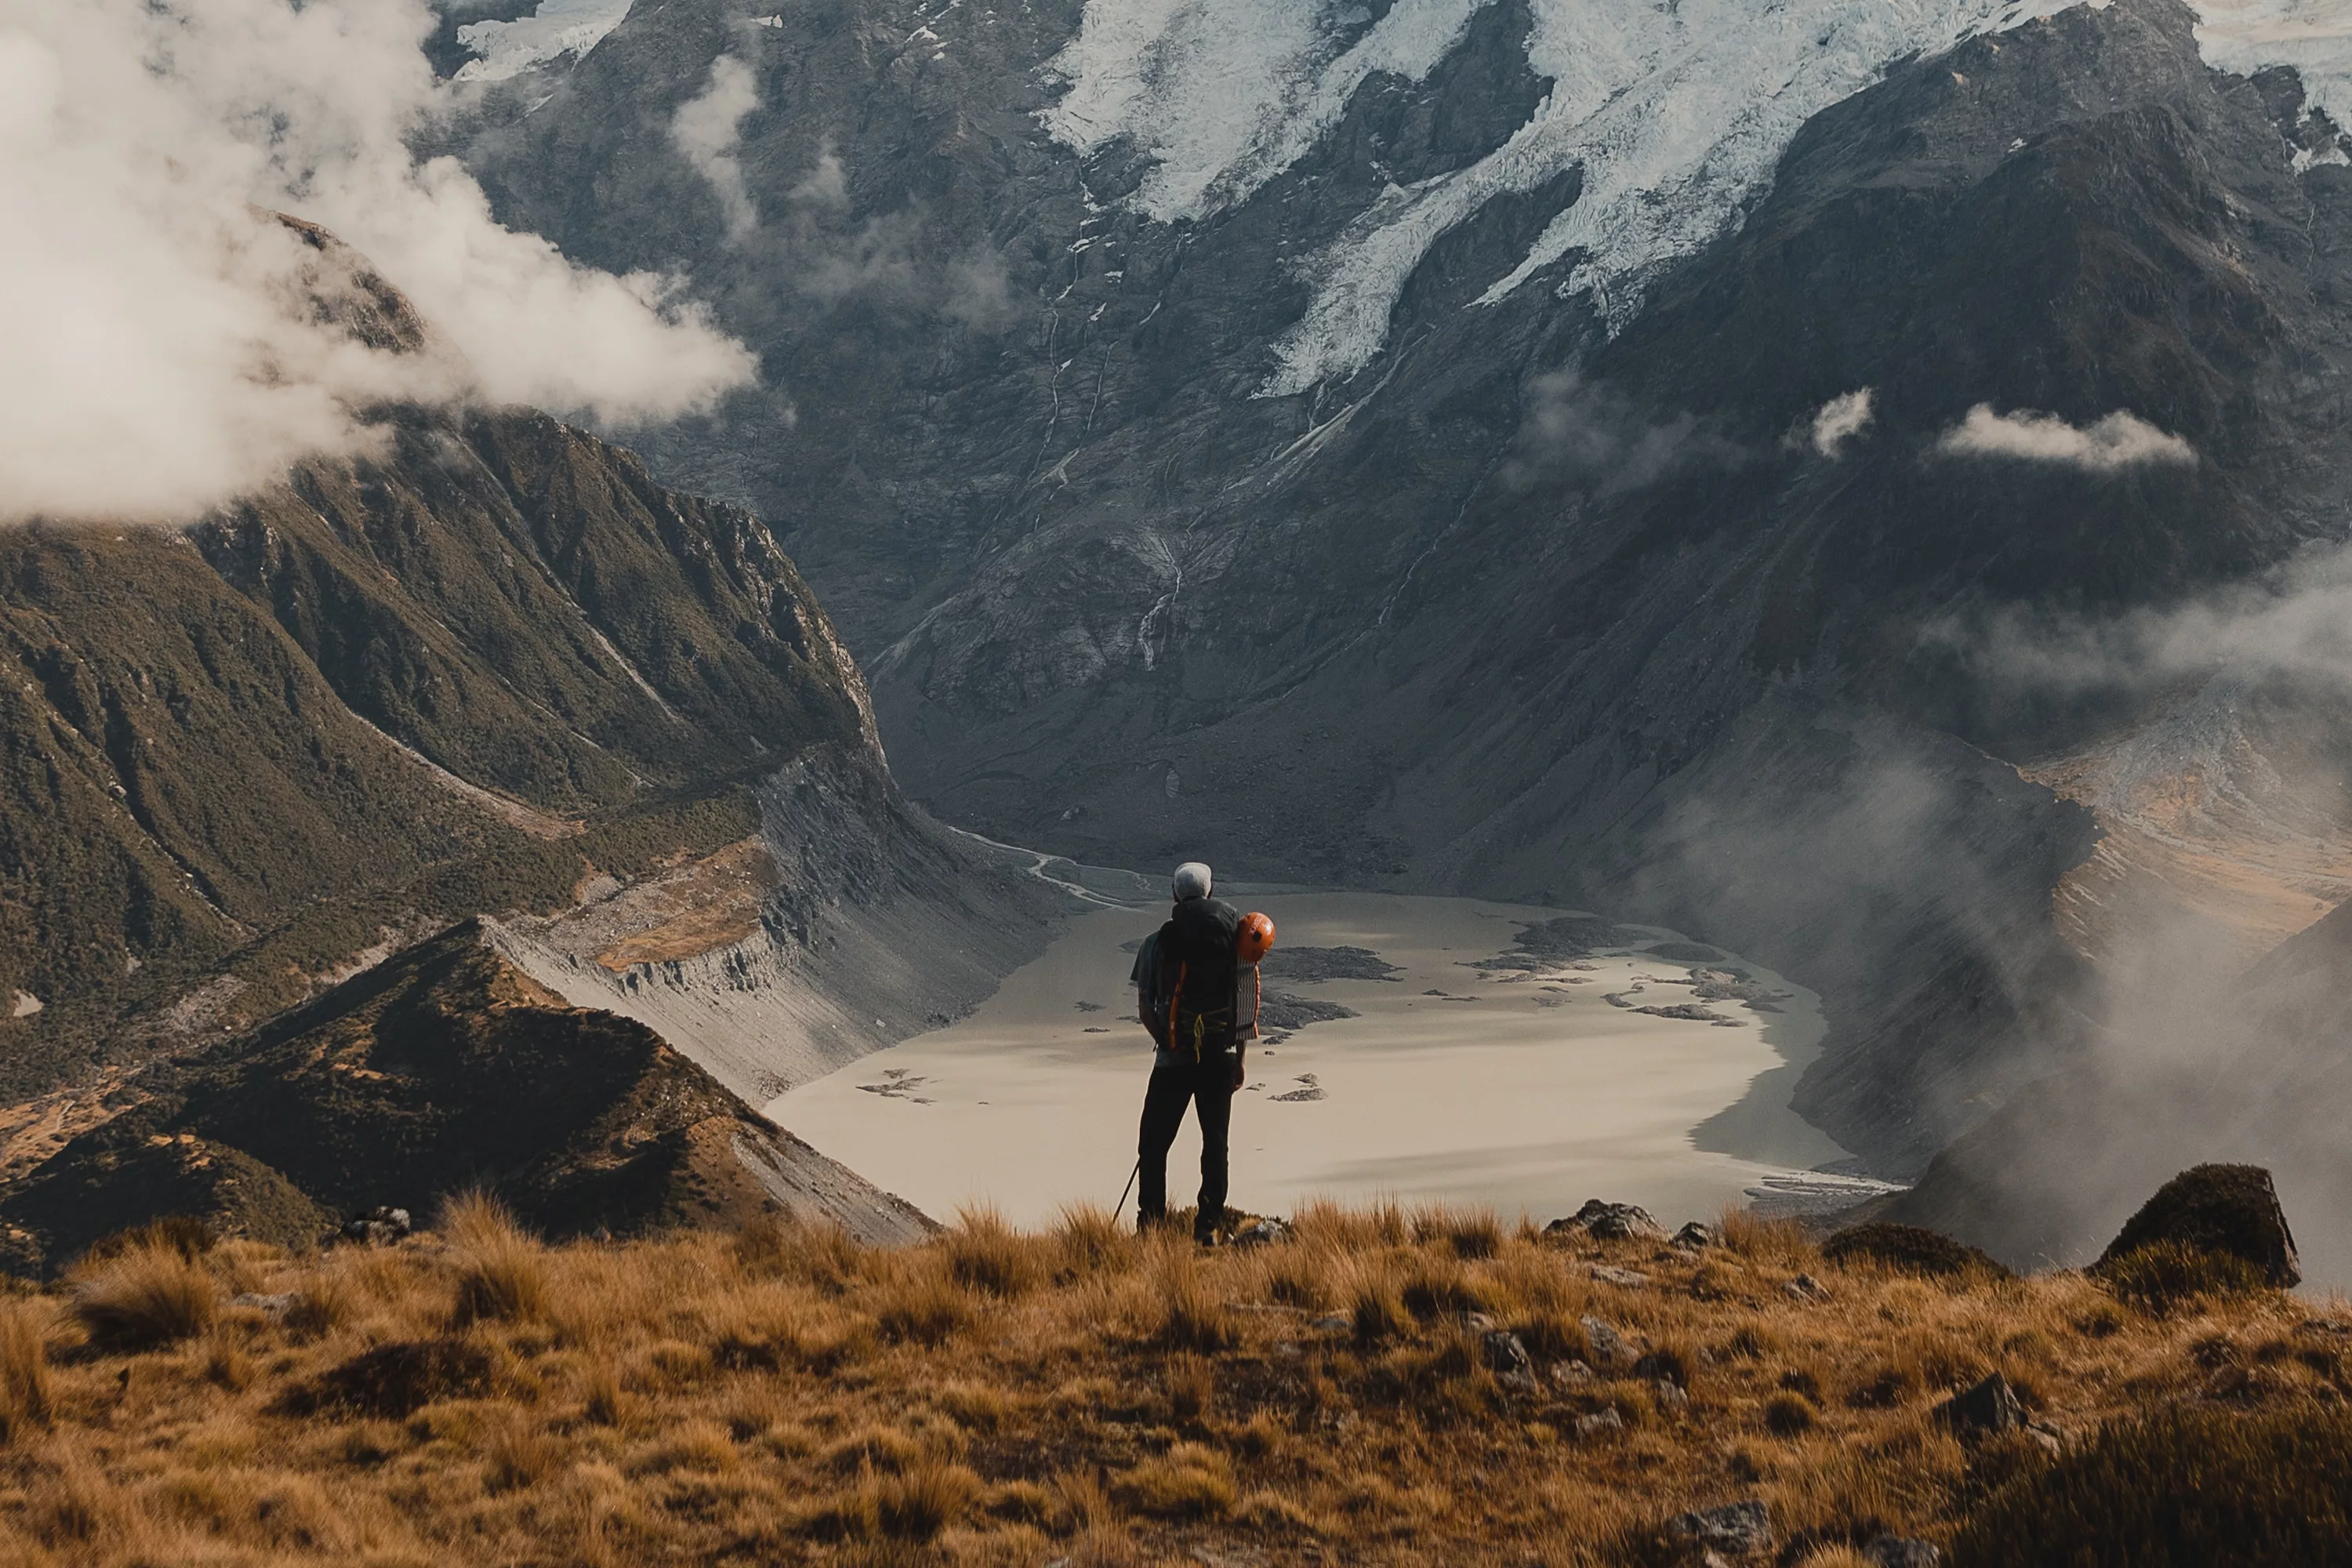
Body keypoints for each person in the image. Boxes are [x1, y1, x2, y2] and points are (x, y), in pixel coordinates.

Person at [1130, 861, 1260, 1243]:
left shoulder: (1156, 943)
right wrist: (1239, 1061)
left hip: (1173, 1060)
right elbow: (1244, 1003)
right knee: (1215, 1140)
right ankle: (1209, 1226)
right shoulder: (1234, 941)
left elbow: (1144, 1008)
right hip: (1219, 1056)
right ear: (1210, 893)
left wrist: (1170, 1041)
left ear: (1174, 894)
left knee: (1153, 1144)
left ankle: (1150, 1226)